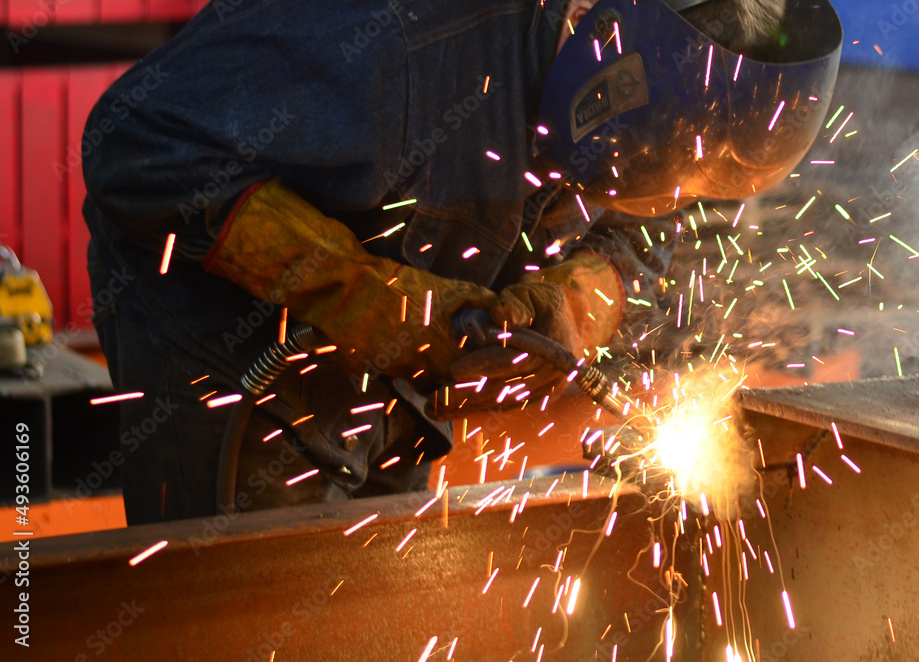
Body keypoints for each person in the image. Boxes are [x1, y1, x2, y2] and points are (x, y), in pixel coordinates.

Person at [82, 0, 841, 525]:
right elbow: (131, 147)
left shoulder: (690, 100)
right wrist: (354, 292)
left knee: (365, 574)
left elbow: (659, 223)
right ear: (594, 35)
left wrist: (583, 294)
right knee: (248, 597)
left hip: (399, 355)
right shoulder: (398, 44)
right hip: (224, 347)